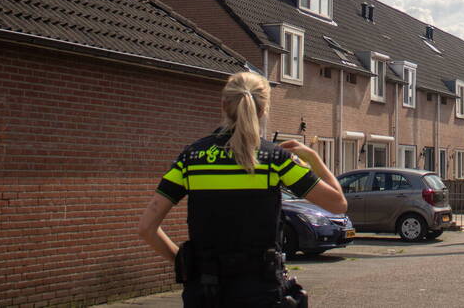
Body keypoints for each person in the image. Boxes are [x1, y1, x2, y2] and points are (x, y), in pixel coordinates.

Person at [137, 71, 346, 307]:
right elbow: (338, 203)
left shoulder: (192, 157)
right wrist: (315, 160)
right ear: (264, 109)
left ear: (223, 105)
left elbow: (147, 228)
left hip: (205, 291)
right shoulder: (274, 159)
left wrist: (186, 264)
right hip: (260, 290)